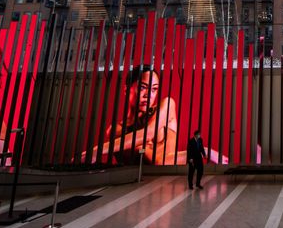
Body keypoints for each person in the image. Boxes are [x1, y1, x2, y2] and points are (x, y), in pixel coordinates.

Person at [85, 65, 228, 166]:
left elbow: (149, 133)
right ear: (127, 90)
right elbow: (153, 160)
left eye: (154, 90)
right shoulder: (116, 130)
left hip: (170, 180)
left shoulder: (167, 105)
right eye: (143, 88)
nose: (148, 95)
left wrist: (96, 151)